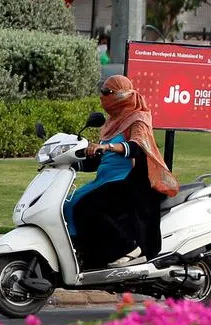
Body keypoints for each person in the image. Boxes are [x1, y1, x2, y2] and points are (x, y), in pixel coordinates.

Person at [62, 75, 180, 269]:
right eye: (102, 91)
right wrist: (67, 163)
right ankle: (83, 253)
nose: (102, 97)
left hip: (128, 182)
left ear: (121, 96)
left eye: (107, 93)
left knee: (86, 207)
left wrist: (108, 147)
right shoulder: (112, 122)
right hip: (106, 180)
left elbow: (137, 147)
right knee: (68, 203)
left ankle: (129, 246)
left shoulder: (138, 118)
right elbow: (100, 161)